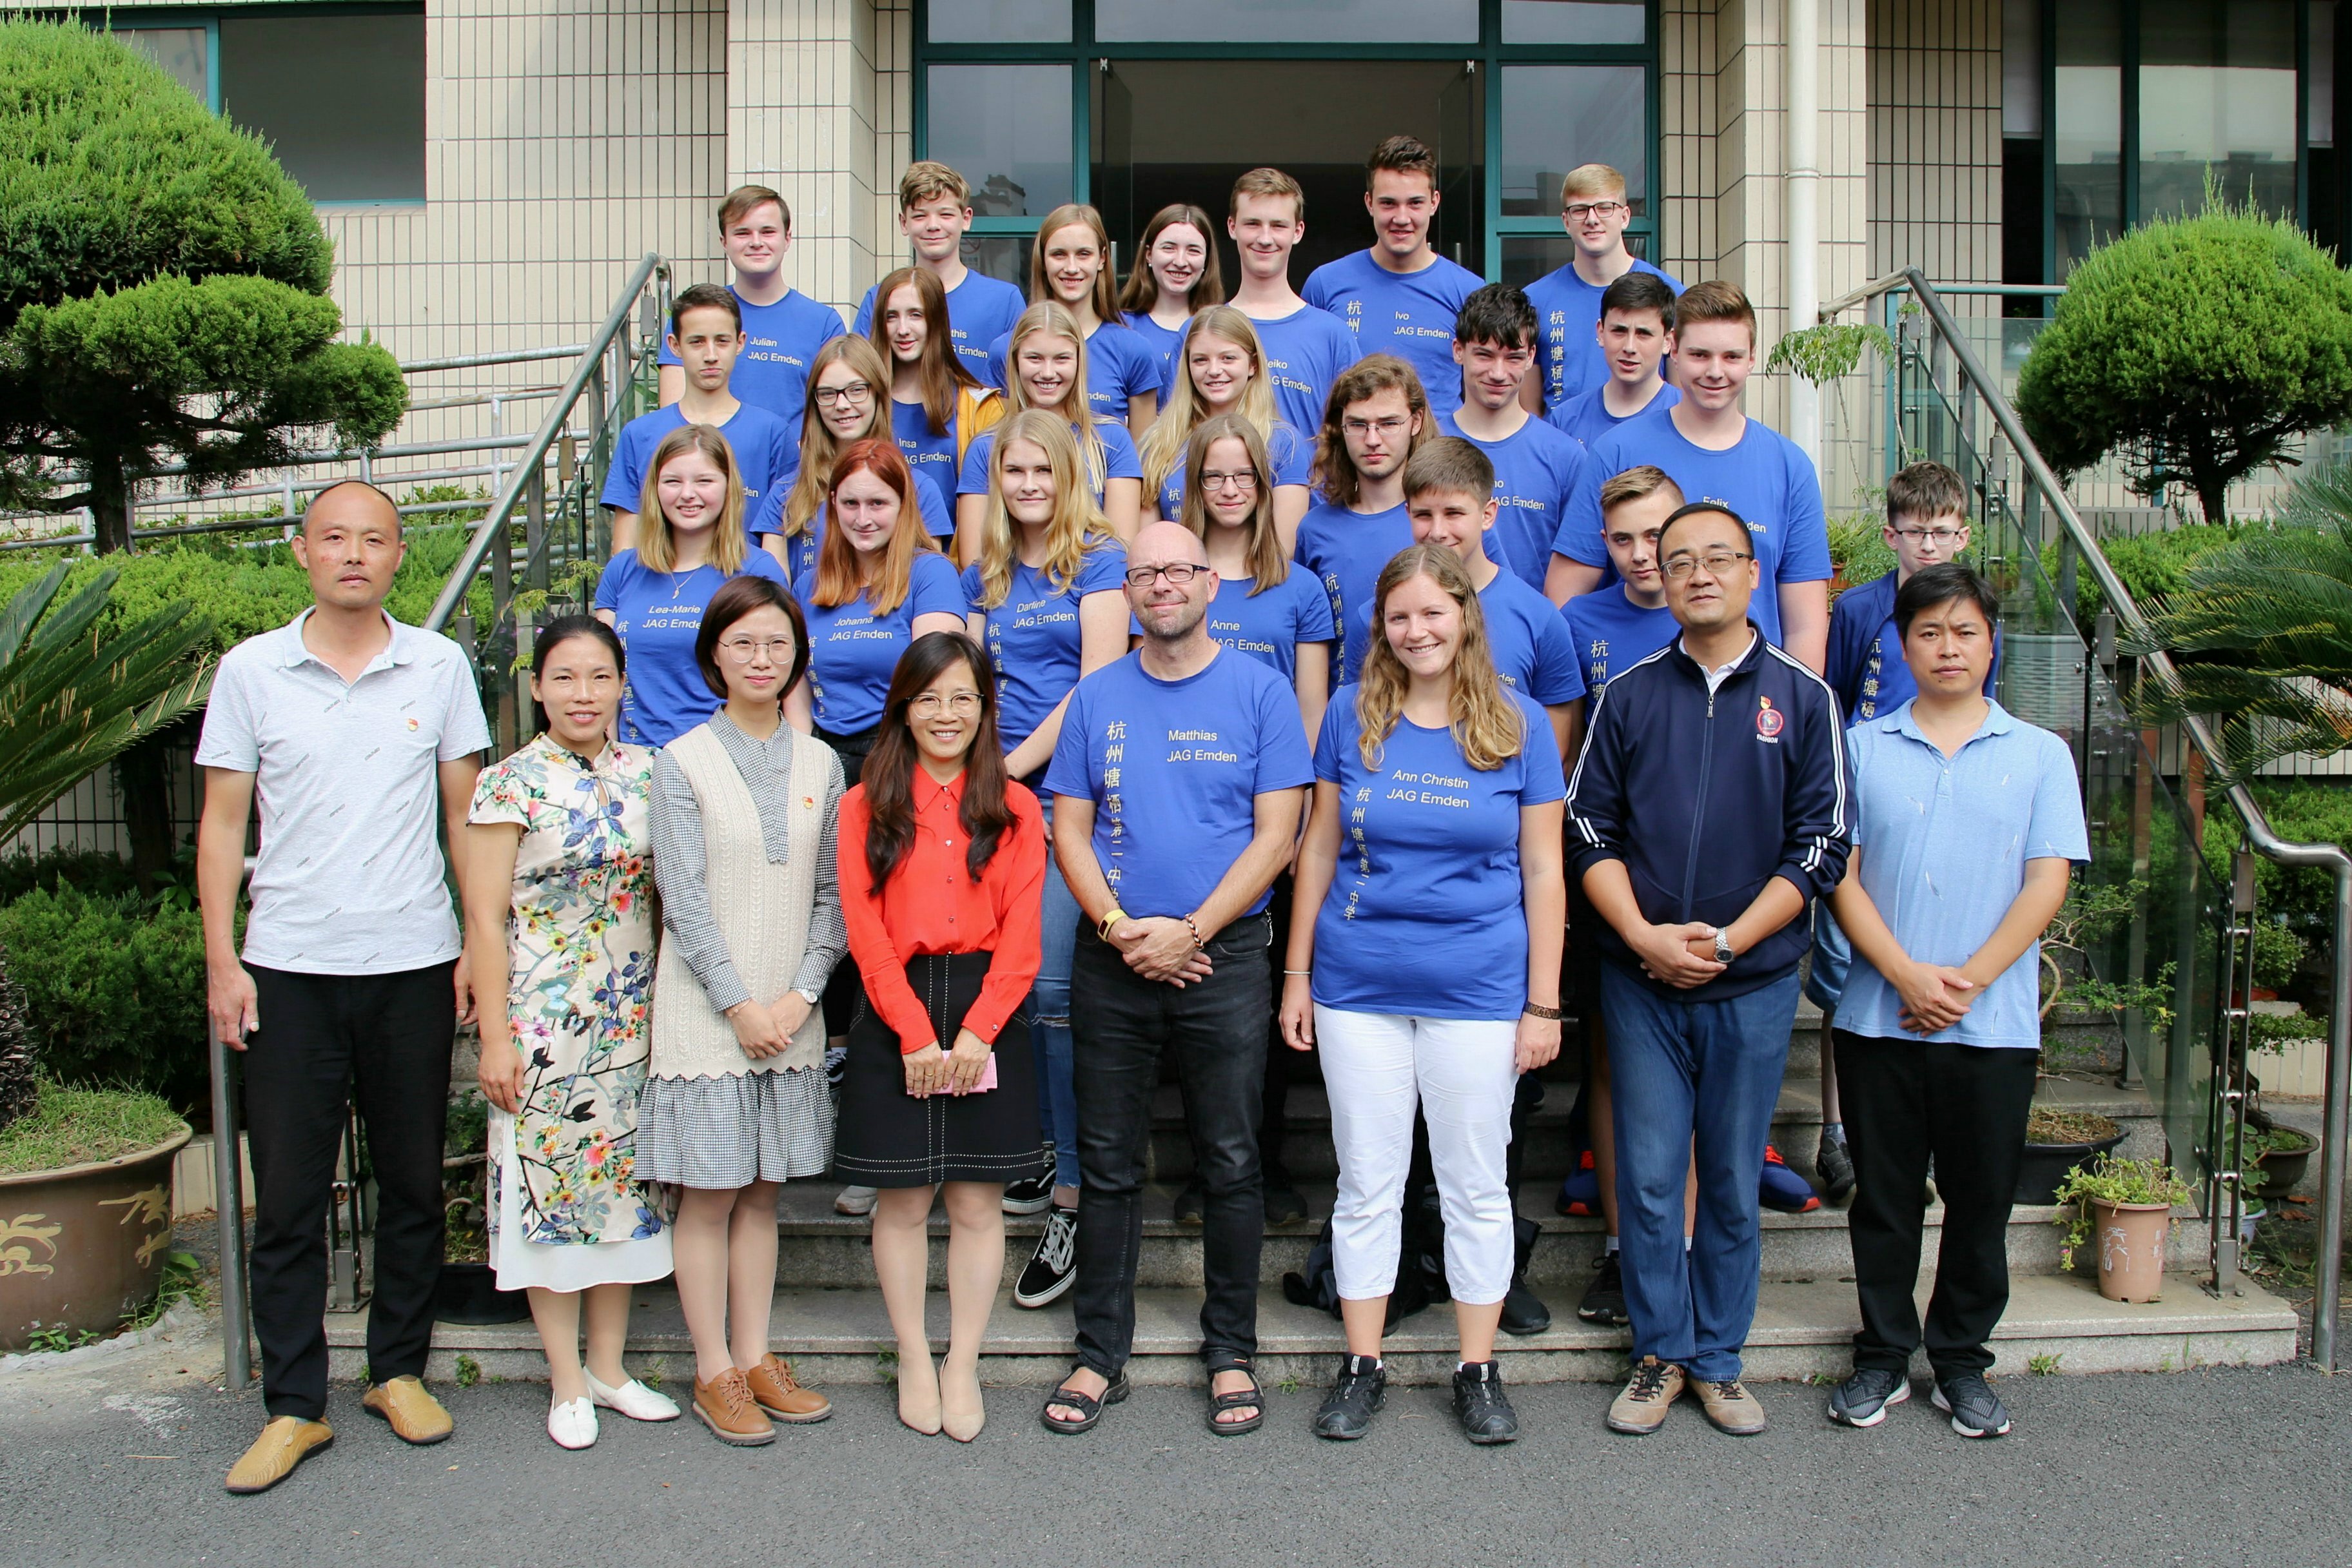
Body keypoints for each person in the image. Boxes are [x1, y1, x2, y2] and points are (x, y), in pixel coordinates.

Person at [197, 480, 491, 1494]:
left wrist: (472, 947)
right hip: (287, 966)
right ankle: (293, 1405)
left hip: (412, 959)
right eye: (334, 538)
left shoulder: (441, 665)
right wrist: (223, 959)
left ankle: (397, 1371)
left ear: (399, 554)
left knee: (411, 1181)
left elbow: (466, 823)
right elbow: (224, 826)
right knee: (286, 1197)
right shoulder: (252, 673)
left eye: (373, 539)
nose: (353, 555)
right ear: (301, 552)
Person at [1566, 501, 1850, 1440]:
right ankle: (1659, 1353)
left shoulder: (1805, 700)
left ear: (1752, 568)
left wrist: (1728, 941)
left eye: (1716, 558)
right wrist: (1646, 936)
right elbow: (1586, 830)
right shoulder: (1631, 694)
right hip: (1640, 983)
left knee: (1729, 1177)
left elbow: (1822, 848)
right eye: (1676, 558)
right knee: (1648, 1177)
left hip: (1755, 982)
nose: (1695, 574)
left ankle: (1720, 1359)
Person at [1280, 545, 1565, 1446]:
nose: (1417, 630)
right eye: (1399, 617)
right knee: (1368, 1183)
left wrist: (1543, 1003)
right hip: (1357, 986)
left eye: (1432, 614)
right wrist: (1295, 976)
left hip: (1479, 991)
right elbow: (1318, 849)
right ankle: (1363, 1364)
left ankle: (1476, 1369)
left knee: (1475, 1188)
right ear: (1383, 628)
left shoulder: (1520, 727)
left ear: (1463, 618)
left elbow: (1544, 871)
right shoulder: (1348, 714)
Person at [1038, 522, 1313, 1438]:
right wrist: (1123, 930)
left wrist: (1192, 929)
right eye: (1144, 573)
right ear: (1132, 588)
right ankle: (1097, 1353)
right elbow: (1068, 829)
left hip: (1224, 957)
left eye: (1178, 570)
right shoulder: (1096, 698)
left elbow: (1279, 835)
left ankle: (1230, 1351)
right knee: (1109, 1165)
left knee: (1232, 1162)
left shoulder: (1261, 692)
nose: (1162, 585)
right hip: (1112, 958)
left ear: (1209, 583)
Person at [1823, 561, 2083, 1442]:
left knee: (1982, 1201)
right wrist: (1903, 974)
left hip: (1994, 1025)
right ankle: (1883, 1357)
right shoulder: (1859, 748)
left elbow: (2047, 881)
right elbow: (1839, 878)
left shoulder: (2041, 755)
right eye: (1929, 632)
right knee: (1886, 1198)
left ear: (1991, 641)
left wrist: (1964, 980)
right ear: (1901, 644)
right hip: (1877, 1017)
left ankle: (1963, 1362)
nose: (1947, 648)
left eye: (1964, 631)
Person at [637, 574, 844, 1445]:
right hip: (706, 1016)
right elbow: (680, 898)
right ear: (713, 655)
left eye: (777, 644)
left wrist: (798, 996)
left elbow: (835, 896)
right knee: (712, 1194)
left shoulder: (823, 761)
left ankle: (756, 1357)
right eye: (742, 644)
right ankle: (712, 1367)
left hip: (792, 1014)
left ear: (797, 655)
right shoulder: (680, 760)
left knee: (763, 1193)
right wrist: (740, 1006)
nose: (762, 659)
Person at [462, 616, 676, 1451]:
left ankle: (610, 1369)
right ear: (539, 689)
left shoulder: (652, 774)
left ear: (622, 684)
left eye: (598, 677)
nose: (582, 694)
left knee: (623, 1200)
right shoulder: (507, 784)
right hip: (543, 1024)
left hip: (633, 1024)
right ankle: (563, 1381)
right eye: (565, 678)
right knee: (550, 1196)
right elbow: (483, 919)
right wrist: (493, 1039)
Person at [835, 632, 1048, 1443]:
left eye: (964, 697)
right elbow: (865, 932)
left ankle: (961, 1358)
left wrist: (978, 1034)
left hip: (990, 1000)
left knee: (975, 1199)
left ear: (986, 706)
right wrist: (919, 1037)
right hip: (899, 1005)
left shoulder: (1018, 806)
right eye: (928, 698)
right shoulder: (866, 804)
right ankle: (913, 1356)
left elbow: (1023, 941)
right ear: (903, 707)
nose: (946, 713)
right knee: (901, 1196)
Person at [961, 411, 1132, 1293]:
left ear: (1069, 475)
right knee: (1014, 992)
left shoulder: (1099, 562)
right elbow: (972, 687)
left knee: (1058, 995)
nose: (1027, 485)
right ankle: (1042, 1150)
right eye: (1013, 471)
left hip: (1068, 797)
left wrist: (1011, 774)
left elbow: (1096, 685)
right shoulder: (986, 572)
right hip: (999, 795)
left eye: (1041, 470)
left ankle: (1071, 1201)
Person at [1810, 460, 1995, 1202]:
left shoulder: (1980, 610)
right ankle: (1838, 1129)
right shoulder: (1858, 610)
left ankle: (1916, 1136)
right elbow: (1838, 697)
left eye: (1944, 531)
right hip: (1867, 800)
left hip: (1946, 803)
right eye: (1916, 532)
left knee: (1931, 961)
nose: (1930, 545)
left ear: (1964, 535)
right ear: (1891, 534)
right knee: (1842, 969)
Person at [1173, 411, 1337, 1228]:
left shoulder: (1298, 588)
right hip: (1187, 810)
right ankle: (1205, 1168)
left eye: (1244, 477)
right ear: (1194, 487)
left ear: (1265, 487)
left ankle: (1260, 1162)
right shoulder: (1176, 575)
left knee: (1261, 1006)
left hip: (1268, 817)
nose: (1230, 490)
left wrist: (1302, 819)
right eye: (1215, 477)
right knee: (1197, 1007)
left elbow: (1312, 711)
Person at [1554, 466, 1689, 1328]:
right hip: (1611, 877)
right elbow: (1566, 764)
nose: (1644, 556)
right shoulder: (1581, 622)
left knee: (1697, 1074)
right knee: (1609, 1063)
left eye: (1657, 535)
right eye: (1625, 539)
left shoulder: (1715, 611)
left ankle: (1681, 1250)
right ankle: (1616, 1250)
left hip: (1712, 878)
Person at [1547, 283, 1832, 673]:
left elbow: (1806, 624)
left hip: (1754, 700)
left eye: (1731, 356)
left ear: (1752, 358)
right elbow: (1565, 596)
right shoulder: (1617, 451)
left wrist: (1796, 716)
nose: (1715, 372)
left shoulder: (1788, 466)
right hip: (1634, 698)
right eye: (1700, 355)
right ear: (1674, 351)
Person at [593, 424, 794, 747]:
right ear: (654, 489)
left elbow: (779, 674)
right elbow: (601, 675)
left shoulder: (757, 570)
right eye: (673, 481)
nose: (688, 494)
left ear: (728, 487)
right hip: (636, 761)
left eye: (704, 481)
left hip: (726, 759)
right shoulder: (623, 569)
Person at [1392, 438, 1583, 761]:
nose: (1438, 531)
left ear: (1488, 514)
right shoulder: (1386, 615)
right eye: (1424, 515)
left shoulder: (1539, 618)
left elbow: (1556, 756)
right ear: (1407, 512)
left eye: (1454, 513)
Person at [790, 438, 968, 776]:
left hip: (901, 751)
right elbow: (798, 698)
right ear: (832, 503)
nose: (862, 518)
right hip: (820, 754)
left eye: (877, 503)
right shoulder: (807, 587)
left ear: (903, 504)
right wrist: (803, 769)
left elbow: (936, 684)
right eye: (850, 503)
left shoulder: (930, 574)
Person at [604, 284, 798, 556]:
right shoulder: (640, 435)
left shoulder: (772, 433)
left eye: (722, 341)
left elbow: (783, 540)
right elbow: (625, 545)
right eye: (697, 342)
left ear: (740, 343)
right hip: (662, 592)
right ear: (675, 345)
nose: (710, 355)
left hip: (748, 593)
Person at [1302, 136, 1482, 420]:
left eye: (1415, 203)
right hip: (1351, 457)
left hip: (1437, 459)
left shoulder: (1469, 292)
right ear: (1369, 203)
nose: (1401, 218)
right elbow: (1310, 382)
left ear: (1434, 203)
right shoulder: (1325, 285)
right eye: (1388, 203)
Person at [1439, 283, 1596, 592]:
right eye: (1484, 355)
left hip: (1531, 634)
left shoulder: (1565, 456)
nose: (1498, 373)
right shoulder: (1426, 445)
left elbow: (1577, 572)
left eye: (1513, 358)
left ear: (1531, 357)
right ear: (1459, 351)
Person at [656, 185, 847, 440]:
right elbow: (672, 415)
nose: (756, 242)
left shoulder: (823, 323)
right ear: (724, 242)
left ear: (787, 238)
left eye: (767, 232)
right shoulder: (696, 315)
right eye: (742, 233)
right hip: (709, 470)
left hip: (795, 473)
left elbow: (838, 410)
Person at [956, 302, 1145, 556]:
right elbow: (974, 560)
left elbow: (1122, 550)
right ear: (1015, 360)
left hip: (1093, 588)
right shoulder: (985, 448)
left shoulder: (1112, 440)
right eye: (1034, 358)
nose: (1048, 373)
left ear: (1079, 361)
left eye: (1061, 359)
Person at [1293, 354, 1429, 685]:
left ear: (1416, 421)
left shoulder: (1441, 522)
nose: (1372, 439)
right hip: (1346, 712)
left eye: (1388, 423)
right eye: (1358, 425)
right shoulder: (1315, 529)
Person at [778, 335, 956, 577]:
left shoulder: (920, 489)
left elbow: (928, 582)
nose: (842, 404)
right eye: (828, 393)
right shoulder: (786, 492)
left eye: (856, 390)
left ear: (879, 394)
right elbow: (775, 596)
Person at [1139, 304, 1313, 546]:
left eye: (1227, 358)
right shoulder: (1160, 442)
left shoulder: (1284, 443)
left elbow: (1285, 549)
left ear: (1253, 365)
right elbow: (1148, 544)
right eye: (1200, 360)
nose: (1214, 370)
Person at [1522, 163, 1685, 415]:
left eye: (1604, 208)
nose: (1592, 220)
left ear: (1625, 217)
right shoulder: (1535, 300)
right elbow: (1529, 415)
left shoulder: (1672, 295)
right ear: (1565, 221)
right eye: (1580, 210)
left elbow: (1682, 404)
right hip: (1565, 449)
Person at [985, 204, 1162, 435]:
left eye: (1083, 254)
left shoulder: (1133, 349)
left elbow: (1142, 460)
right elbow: (996, 448)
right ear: (1043, 260)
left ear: (1102, 259)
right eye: (1059, 254)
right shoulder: (1006, 350)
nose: (1071, 267)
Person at [852, 161, 1027, 386]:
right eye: (920, 216)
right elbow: (860, 380)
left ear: (966, 218)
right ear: (904, 223)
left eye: (945, 215)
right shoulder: (879, 299)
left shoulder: (1004, 301)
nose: (933, 225)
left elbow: (1021, 387)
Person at [1224, 168, 1364, 440]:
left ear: (1298, 231)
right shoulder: (1202, 332)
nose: (1265, 238)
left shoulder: (1332, 335)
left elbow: (1356, 432)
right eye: (1253, 224)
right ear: (1232, 227)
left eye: (1278, 226)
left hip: (1311, 484)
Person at [873, 266, 1003, 522]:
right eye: (891, 317)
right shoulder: (861, 402)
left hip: (956, 560)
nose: (903, 329)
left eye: (915, 315)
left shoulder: (981, 406)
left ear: (936, 321)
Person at [1545, 271, 1682, 448]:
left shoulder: (1689, 414)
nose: (1630, 347)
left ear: (1667, 341)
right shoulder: (1565, 420)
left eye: (1644, 334)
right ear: (1601, 333)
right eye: (1619, 331)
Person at [1118, 202, 1224, 387]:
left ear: (1207, 260)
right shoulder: (1121, 326)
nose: (1181, 261)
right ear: (1149, 255)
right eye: (1169, 248)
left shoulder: (1224, 327)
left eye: (1193, 250)